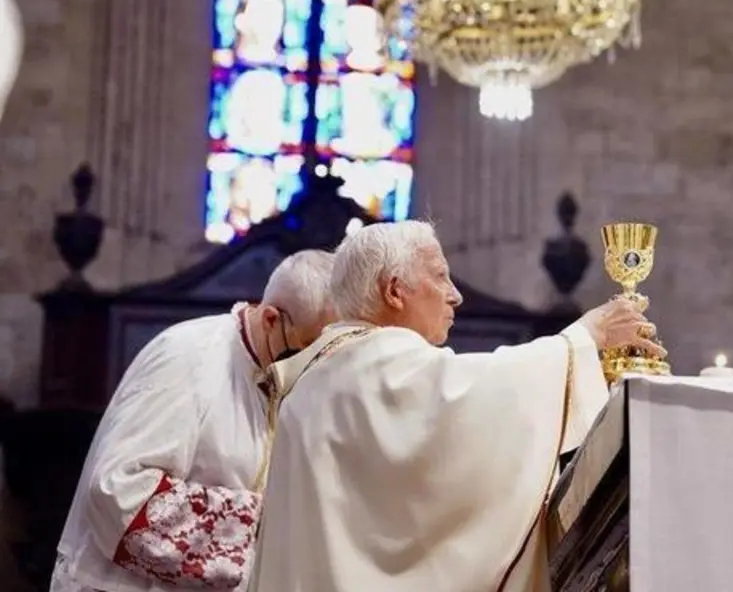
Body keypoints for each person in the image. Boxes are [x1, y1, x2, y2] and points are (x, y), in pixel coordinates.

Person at [250, 220, 663, 592]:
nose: (456, 295)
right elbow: (477, 399)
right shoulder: (378, 365)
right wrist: (583, 339)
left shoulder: (318, 375)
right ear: (394, 290)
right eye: (441, 277)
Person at [50, 249, 338, 592]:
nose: (314, 362)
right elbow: (118, 490)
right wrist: (261, 523)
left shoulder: (277, 371)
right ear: (271, 319)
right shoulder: (188, 357)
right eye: (308, 346)